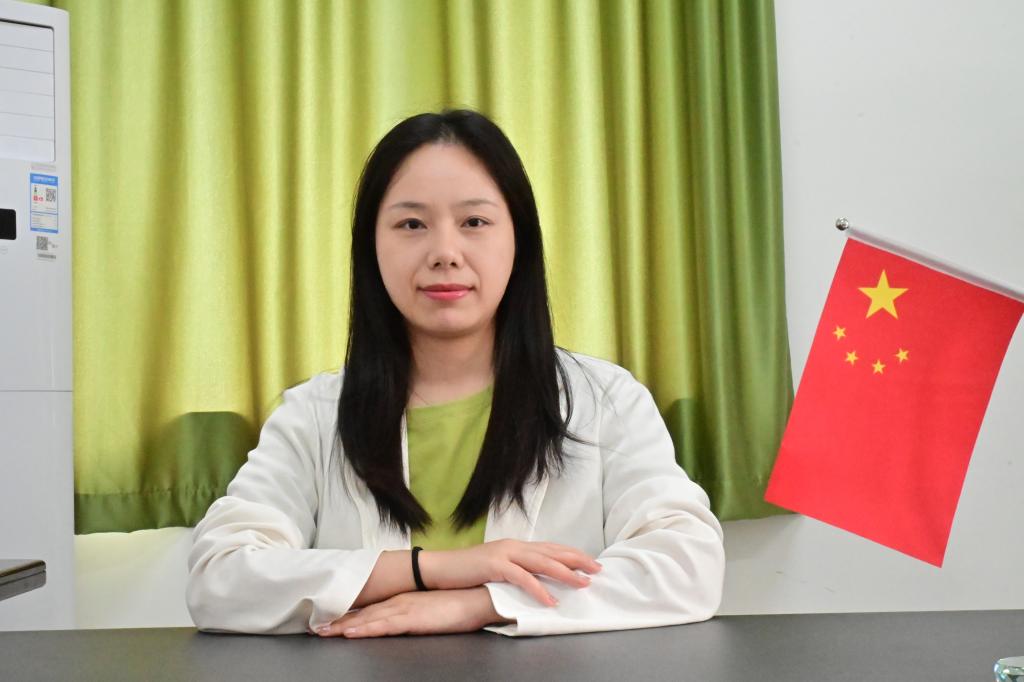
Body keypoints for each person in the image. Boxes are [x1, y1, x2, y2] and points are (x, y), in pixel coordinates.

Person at [186, 109, 725, 638]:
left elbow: (688, 565)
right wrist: (435, 570)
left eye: (474, 222)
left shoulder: (605, 400)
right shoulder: (313, 415)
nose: (445, 253)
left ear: (519, 240)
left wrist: (481, 602)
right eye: (411, 224)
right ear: (370, 246)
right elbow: (220, 577)